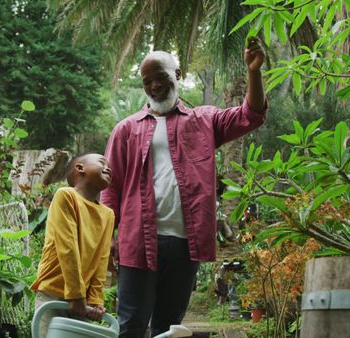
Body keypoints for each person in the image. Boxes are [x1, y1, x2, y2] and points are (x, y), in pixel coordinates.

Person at [101, 37, 269, 337]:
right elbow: (109, 188)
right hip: (137, 242)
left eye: (161, 78)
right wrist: (106, 238)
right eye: (147, 81)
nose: (154, 86)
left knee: (170, 329)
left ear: (177, 75)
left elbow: (250, 116)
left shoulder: (204, 120)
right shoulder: (125, 130)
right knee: (131, 325)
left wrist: (253, 72)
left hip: (184, 244)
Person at [30, 153, 115, 338]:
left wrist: (95, 299)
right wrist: (77, 296)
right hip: (52, 293)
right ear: (80, 168)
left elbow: (101, 259)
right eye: (102, 162)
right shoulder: (66, 196)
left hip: (82, 301)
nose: (108, 167)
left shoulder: (108, 214)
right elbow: (67, 248)